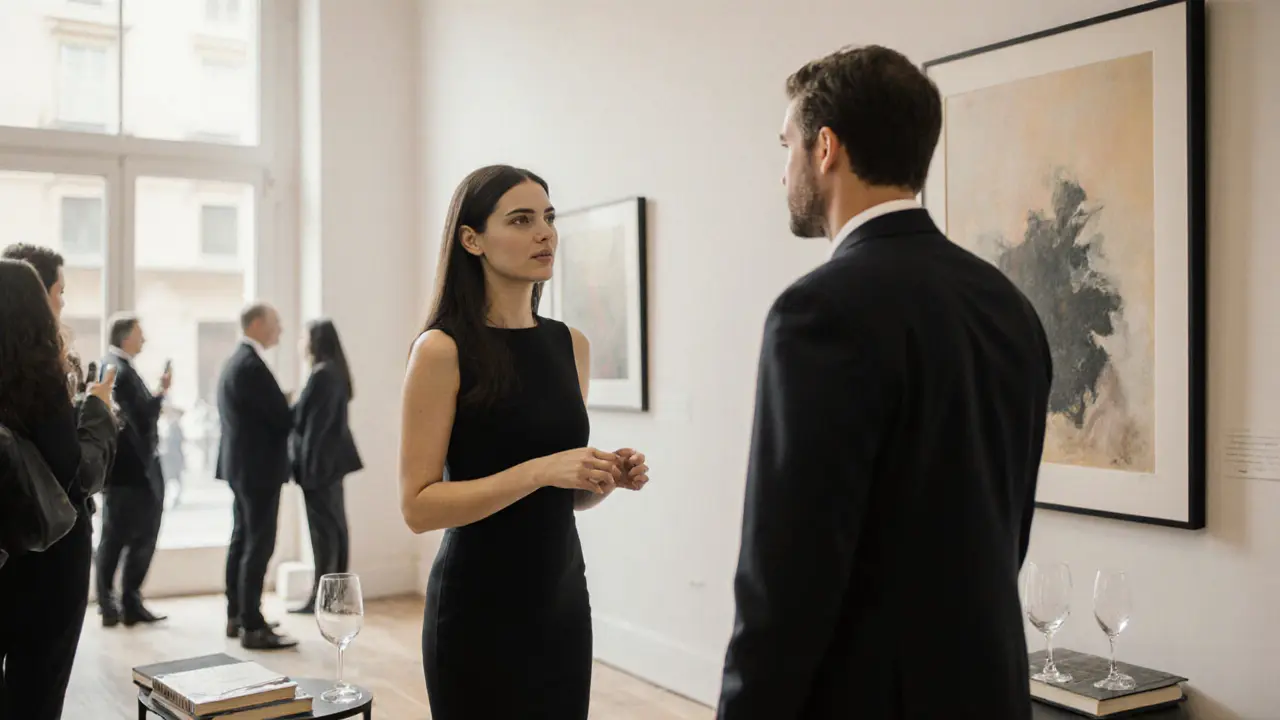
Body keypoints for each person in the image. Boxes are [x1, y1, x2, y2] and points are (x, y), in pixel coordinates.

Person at [717, 46, 1054, 719]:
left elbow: (787, 576)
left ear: (825, 148)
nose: (783, 169)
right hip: (989, 691)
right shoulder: (1008, 306)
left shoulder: (817, 311)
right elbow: (1006, 531)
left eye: (786, 146)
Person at [399, 165, 651, 719]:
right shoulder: (441, 350)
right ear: (472, 240)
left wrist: (599, 478)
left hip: (562, 602)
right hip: (476, 610)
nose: (545, 233)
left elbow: (561, 498)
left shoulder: (570, 345)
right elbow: (418, 507)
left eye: (549, 218)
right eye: (521, 220)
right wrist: (540, 469)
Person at [0, 258, 117, 720]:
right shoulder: (38, 379)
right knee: (37, 692)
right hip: (51, 557)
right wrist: (98, 410)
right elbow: (78, 474)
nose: (62, 303)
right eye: (58, 293)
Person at [215, 303, 296, 650]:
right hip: (259, 469)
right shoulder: (251, 365)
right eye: (276, 322)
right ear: (258, 323)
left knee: (243, 540)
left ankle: (237, 615)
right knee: (258, 544)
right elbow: (280, 417)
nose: (280, 329)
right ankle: (252, 623)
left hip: (243, 468)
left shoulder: (236, 361)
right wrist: (293, 402)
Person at [96, 314, 171, 627]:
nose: (144, 340)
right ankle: (111, 603)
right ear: (125, 336)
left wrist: (159, 393)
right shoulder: (117, 369)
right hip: (130, 473)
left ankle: (127, 601)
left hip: (135, 472)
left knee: (136, 535)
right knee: (116, 537)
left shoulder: (121, 367)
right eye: (140, 334)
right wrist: (159, 395)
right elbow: (133, 421)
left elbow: (140, 415)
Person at [288, 318, 362, 614]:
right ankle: (335, 598)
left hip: (319, 466)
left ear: (314, 341)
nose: (300, 343)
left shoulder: (321, 375)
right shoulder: (335, 373)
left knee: (324, 534)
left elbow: (308, 424)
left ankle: (323, 599)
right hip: (332, 464)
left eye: (303, 337)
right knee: (335, 529)